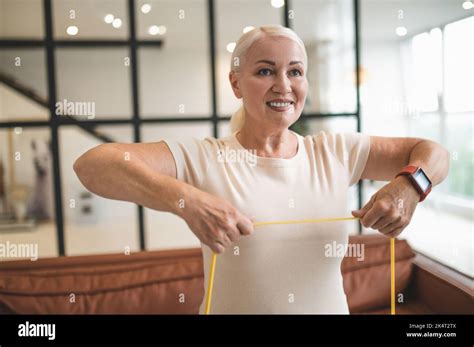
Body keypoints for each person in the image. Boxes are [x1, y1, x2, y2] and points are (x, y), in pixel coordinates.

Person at [73, 25, 450, 314]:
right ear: (236, 83)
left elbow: (433, 153)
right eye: (266, 71)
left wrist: (409, 186)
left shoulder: (338, 151)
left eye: (296, 72)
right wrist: (185, 199)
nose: (283, 85)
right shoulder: (206, 157)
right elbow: (92, 165)